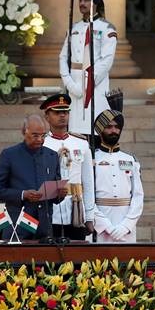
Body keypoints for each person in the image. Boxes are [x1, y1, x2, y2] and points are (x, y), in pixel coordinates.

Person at [59, 0, 118, 136]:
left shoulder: (107, 28)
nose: (82, 3)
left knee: (95, 134)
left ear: (96, 2)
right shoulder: (74, 28)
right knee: (74, 134)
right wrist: (69, 83)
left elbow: (106, 61)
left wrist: (85, 86)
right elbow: (63, 57)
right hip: (73, 87)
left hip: (95, 87)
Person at [0, 115, 67, 241]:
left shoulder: (52, 156)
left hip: (44, 227)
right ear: (24, 132)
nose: (40, 140)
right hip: (18, 225)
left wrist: (60, 194)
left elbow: (55, 197)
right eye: (35, 135)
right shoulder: (9, 155)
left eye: (43, 136)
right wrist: (23, 194)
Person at [40, 94, 95, 240]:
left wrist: (90, 216)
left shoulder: (81, 143)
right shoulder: (42, 143)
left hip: (75, 209)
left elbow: (88, 182)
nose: (62, 115)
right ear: (47, 116)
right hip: (51, 209)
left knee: (77, 258)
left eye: (65, 111)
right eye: (57, 112)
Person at [92, 110, 144, 243]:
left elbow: (138, 195)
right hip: (100, 224)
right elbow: (88, 197)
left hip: (126, 225)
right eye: (109, 127)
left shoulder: (130, 159)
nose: (113, 130)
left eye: (116, 127)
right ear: (101, 130)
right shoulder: (92, 160)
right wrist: (106, 226)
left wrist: (126, 225)